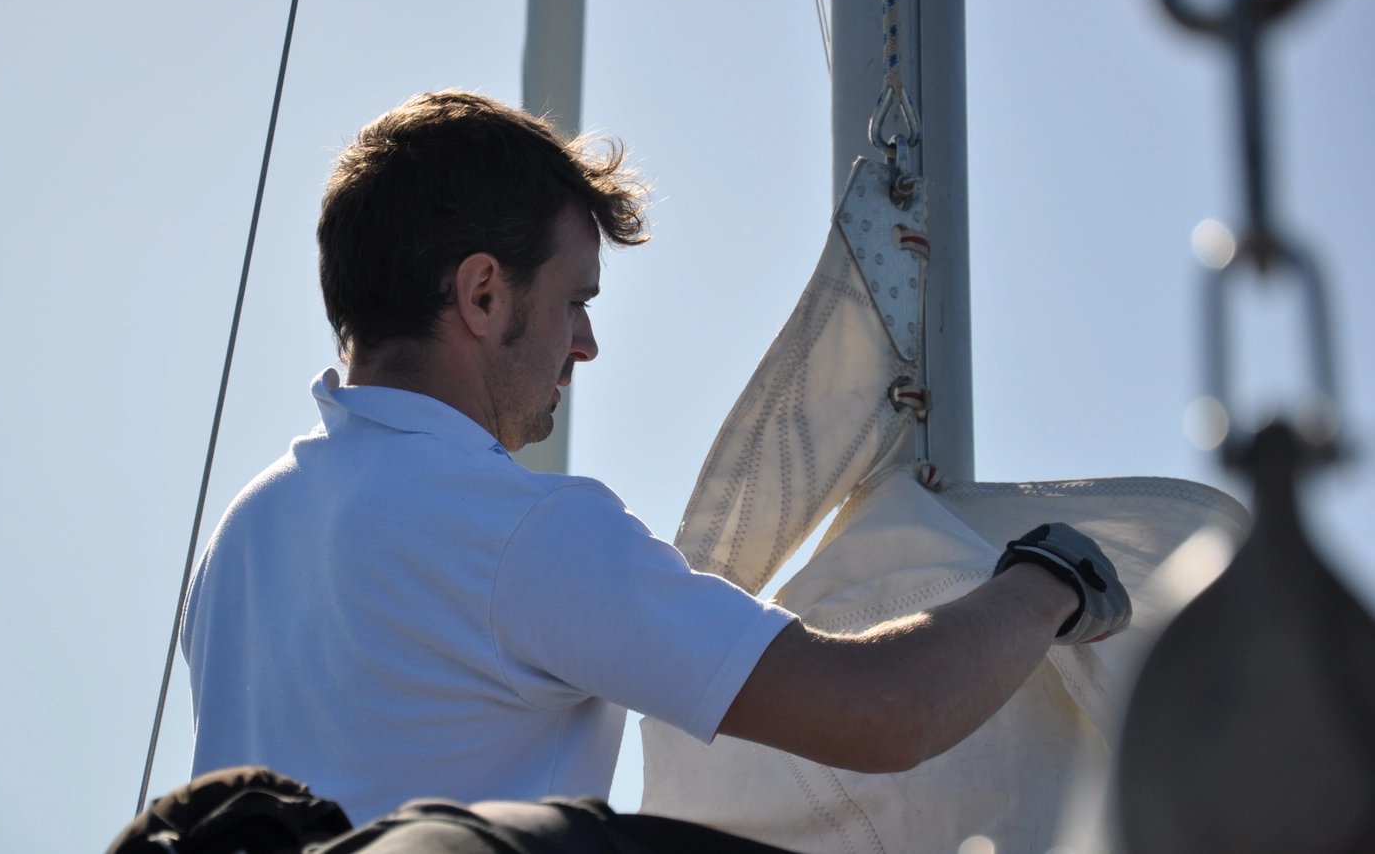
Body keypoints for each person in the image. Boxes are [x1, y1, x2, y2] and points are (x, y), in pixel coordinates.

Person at [180, 91, 1130, 828]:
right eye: (574, 300)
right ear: (480, 293)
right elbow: (885, 713)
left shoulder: (242, 541)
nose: (584, 345)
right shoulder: (523, 533)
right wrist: (1050, 579)